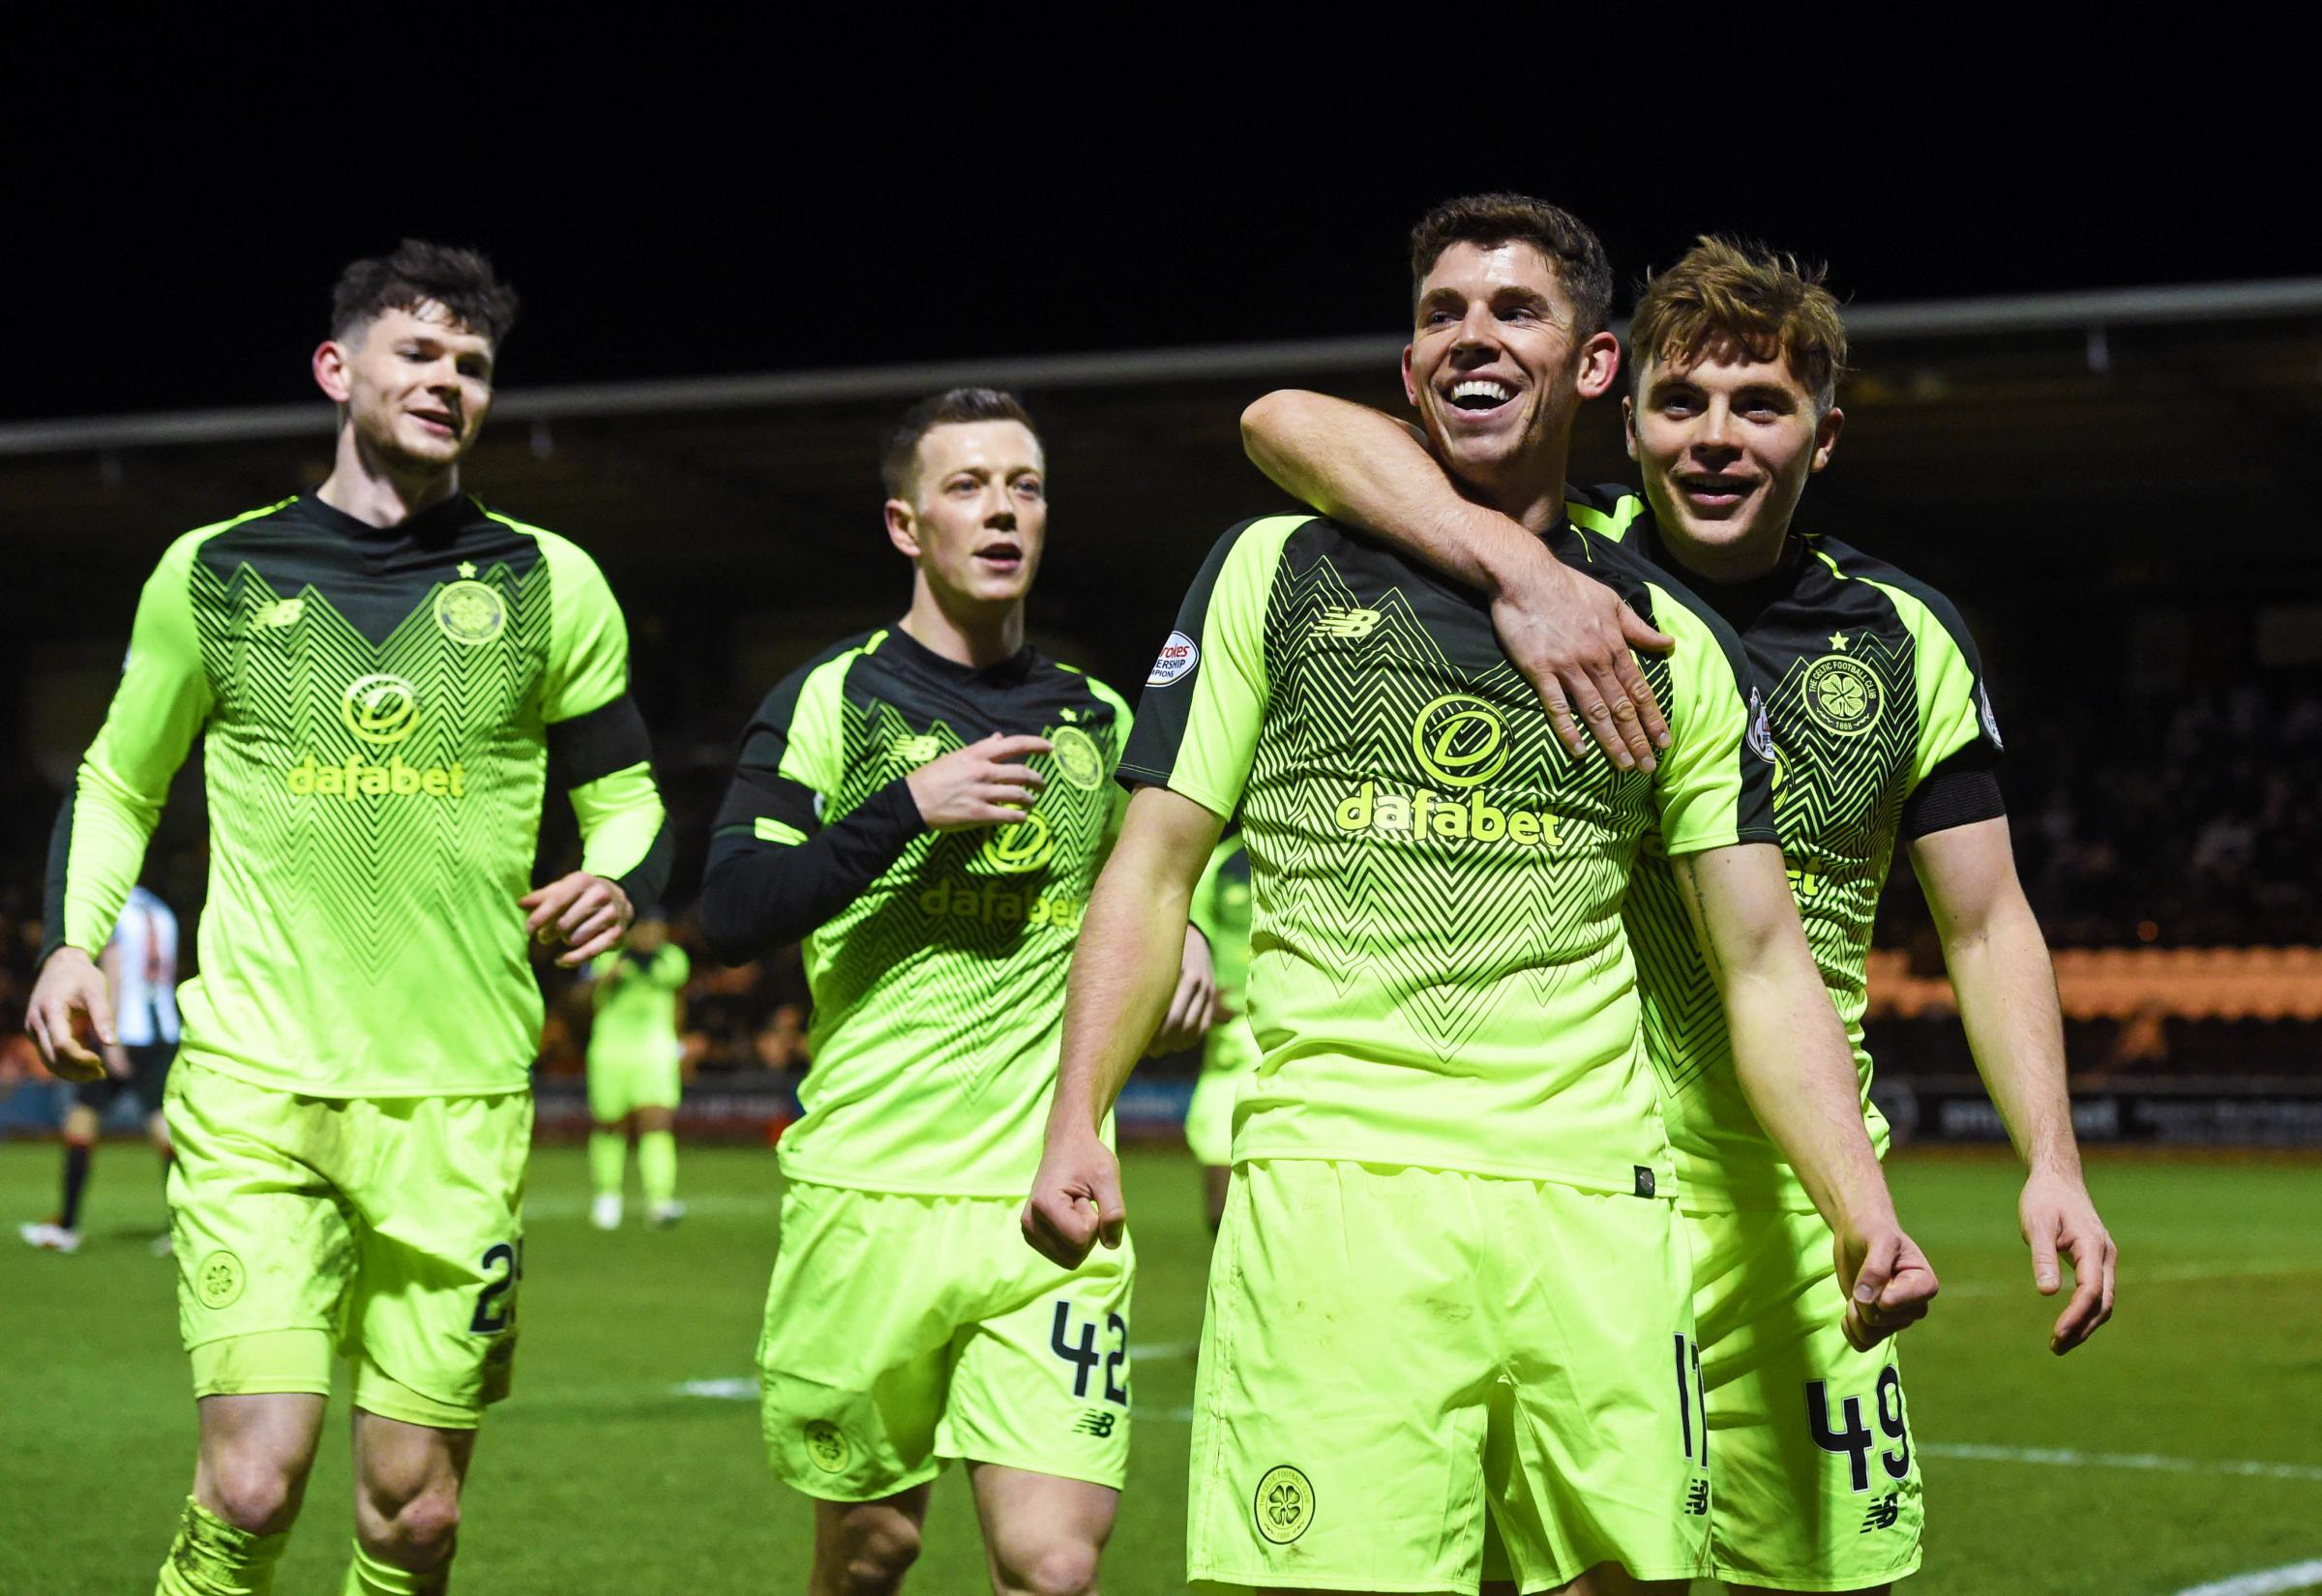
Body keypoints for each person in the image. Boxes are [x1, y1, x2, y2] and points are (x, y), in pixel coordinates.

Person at [1025, 194, 1937, 1596]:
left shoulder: (1674, 643)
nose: (1473, 336)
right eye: (1442, 314)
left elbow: (1766, 967)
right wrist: (1076, 1115)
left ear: (1593, 367)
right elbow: (1150, 867)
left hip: (1597, 1203)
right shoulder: (1275, 569)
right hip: (1339, 1180)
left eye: (1515, 310)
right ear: (1407, 373)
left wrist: (1859, 1206)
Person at [1239, 234, 2117, 1592]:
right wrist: (1515, 566)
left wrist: (2050, 1154)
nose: (1715, 440)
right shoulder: (1546, 564)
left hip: (1795, 1214)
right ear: (1627, 416)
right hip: (1578, 1198)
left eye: (1760, 406)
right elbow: (1288, 425)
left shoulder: (1903, 637)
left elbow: (1989, 921)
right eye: (1681, 403)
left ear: (1824, 437)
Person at [25, 239, 670, 1596]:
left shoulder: (552, 582)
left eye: (475, 365)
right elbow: (118, 777)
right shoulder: (215, 573)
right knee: (251, 1482)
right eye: (420, 352)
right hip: (258, 1082)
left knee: (412, 1516)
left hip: (461, 1094)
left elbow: (628, 796)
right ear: (338, 369)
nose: (450, 380)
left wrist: (623, 874)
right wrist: (73, 940)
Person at [700, 388, 1212, 1596]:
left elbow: (1142, 887)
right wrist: (902, 809)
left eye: (1024, 487)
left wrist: (1177, 931)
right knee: (871, 1554)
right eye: (967, 487)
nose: (1001, 512)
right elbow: (731, 913)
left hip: (1045, 1196)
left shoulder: (1097, 718)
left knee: (1053, 1565)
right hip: (868, 1192)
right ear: (904, 524)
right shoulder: (832, 701)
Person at [20, 882, 180, 1255]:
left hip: (124, 1031)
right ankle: (184, 1226)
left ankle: (68, 1226)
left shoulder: (116, 908)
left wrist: (114, 1038)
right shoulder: (161, 910)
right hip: (164, 1031)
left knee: (81, 1118)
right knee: (164, 1125)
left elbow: (114, 972)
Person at [584, 914, 690, 1229]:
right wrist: (608, 977)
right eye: (644, 928)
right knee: (610, 1125)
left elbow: (679, 999)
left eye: (656, 928)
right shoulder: (607, 955)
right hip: (611, 1051)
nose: (650, 934)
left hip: (654, 1051)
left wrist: (678, 1045)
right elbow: (583, 997)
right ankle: (607, 1198)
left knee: (656, 1121)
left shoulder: (672, 958)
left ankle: (660, 1201)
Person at [1183, 830, 1255, 1228]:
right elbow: (1188, 930)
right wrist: (1199, 992)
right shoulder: (1220, 864)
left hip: (1296, 1034)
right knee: (1222, 1213)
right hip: (1230, 1047)